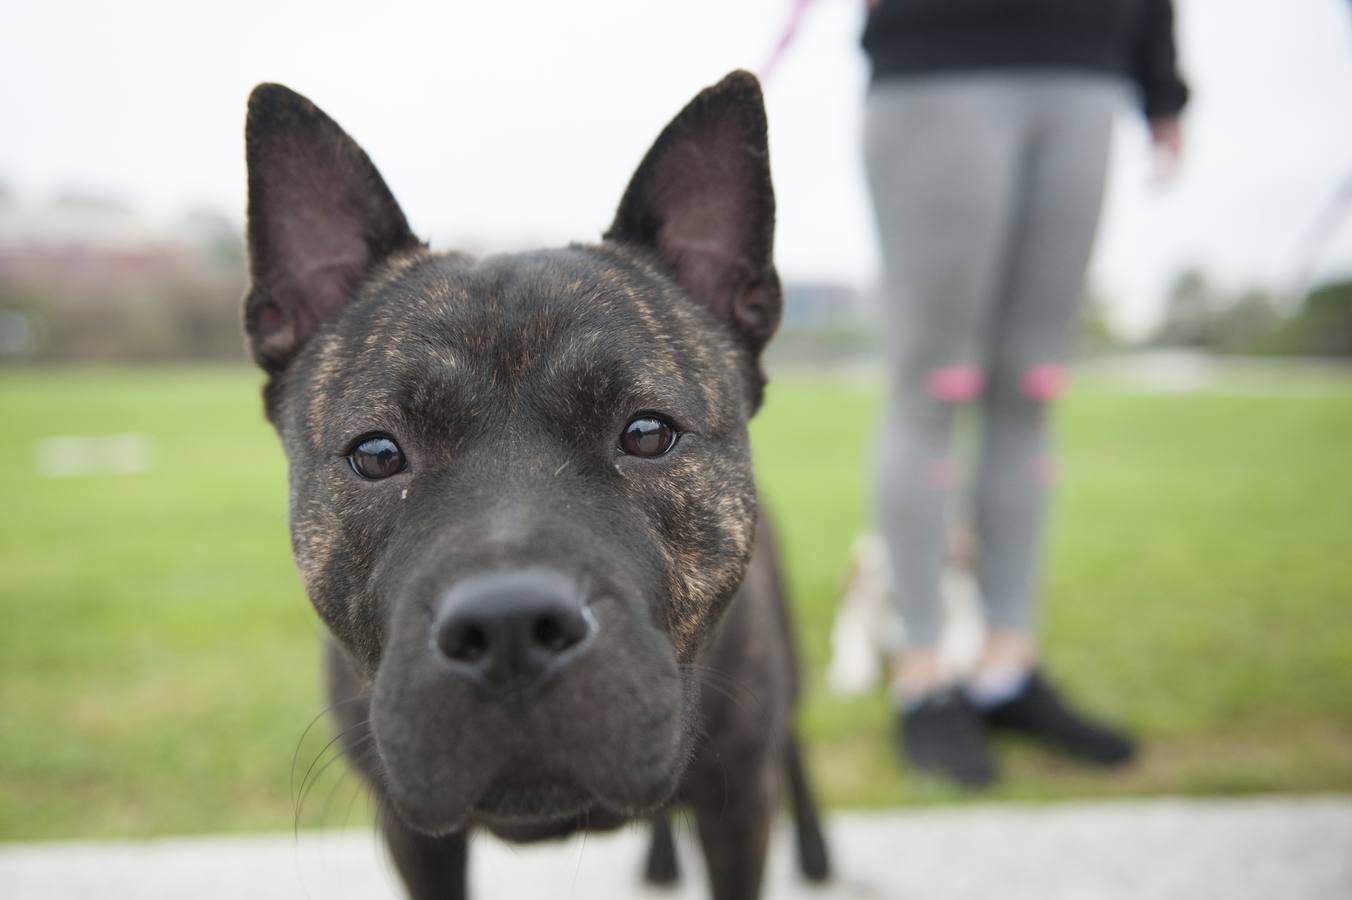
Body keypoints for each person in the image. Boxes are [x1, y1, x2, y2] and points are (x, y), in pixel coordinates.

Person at [860, 0, 1189, 785]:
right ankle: (923, 677)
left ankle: (1007, 668)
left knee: (1032, 387)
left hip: (1085, 61)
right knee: (934, 386)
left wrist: (1163, 83)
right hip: (939, 57)